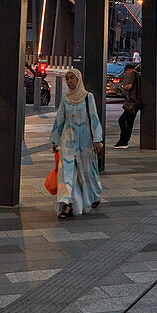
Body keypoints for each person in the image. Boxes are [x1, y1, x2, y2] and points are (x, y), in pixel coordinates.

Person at [49, 69, 103, 219]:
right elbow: (59, 120)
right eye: (67, 79)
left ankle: (94, 194)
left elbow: (94, 119)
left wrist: (97, 139)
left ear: (78, 79)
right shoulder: (65, 99)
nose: (70, 81)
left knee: (87, 172)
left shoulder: (88, 97)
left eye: (72, 78)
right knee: (67, 173)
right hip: (67, 142)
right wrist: (55, 140)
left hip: (85, 143)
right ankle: (67, 203)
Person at [114, 63, 141, 149]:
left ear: (129, 69)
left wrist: (122, 86)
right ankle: (124, 141)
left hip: (132, 102)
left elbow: (129, 86)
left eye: (126, 72)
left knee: (121, 120)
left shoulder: (133, 74)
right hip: (137, 102)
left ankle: (123, 139)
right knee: (130, 123)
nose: (127, 75)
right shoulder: (139, 76)